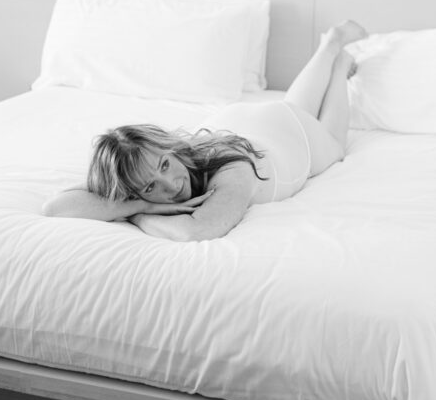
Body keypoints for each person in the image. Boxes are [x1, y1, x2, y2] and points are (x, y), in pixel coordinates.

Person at [42, 20, 367, 241]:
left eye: (166, 166)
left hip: (293, 136)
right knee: (294, 104)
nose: (171, 186)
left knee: (334, 145)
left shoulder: (235, 171)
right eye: (150, 186)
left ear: (170, 148)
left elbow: (197, 231)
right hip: (242, 123)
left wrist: (138, 213)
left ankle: (339, 66)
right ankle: (329, 44)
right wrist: (139, 203)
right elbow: (56, 208)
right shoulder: (144, 162)